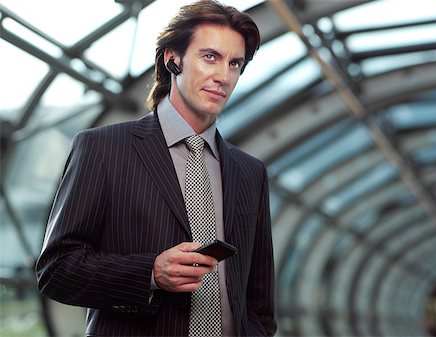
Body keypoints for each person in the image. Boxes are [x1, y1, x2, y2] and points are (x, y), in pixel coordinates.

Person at [35, 0, 276, 336]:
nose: (223, 76)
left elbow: (260, 301)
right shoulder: (104, 149)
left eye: (235, 63)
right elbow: (56, 269)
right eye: (210, 57)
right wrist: (150, 272)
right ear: (172, 59)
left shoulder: (250, 172)